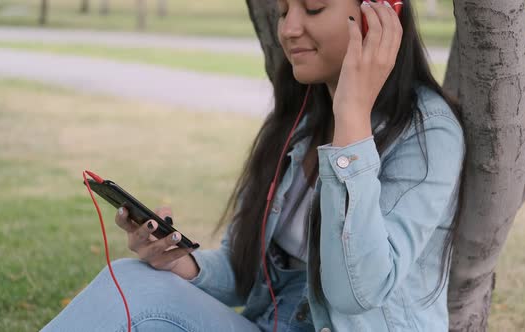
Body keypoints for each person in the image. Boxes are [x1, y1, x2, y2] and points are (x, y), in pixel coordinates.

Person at [41, 0, 466, 331]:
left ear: (379, 17)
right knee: (132, 280)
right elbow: (243, 272)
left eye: (313, 8)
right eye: (283, 11)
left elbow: (357, 292)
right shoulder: (300, 116)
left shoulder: (428, 134)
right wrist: (179, 263)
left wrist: (352, 118)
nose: (288, 29)